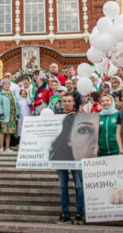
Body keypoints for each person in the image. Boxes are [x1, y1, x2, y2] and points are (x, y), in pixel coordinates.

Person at [53, 92, 85, 225]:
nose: (66, 103)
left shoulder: (79, 117)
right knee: (62, 186)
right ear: (61, 103)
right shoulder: (55, 118)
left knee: (78, 185)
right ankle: (65, 213)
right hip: (61, 154)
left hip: (76, 155)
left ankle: (79, 213)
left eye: (69, 101)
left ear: (73, 103)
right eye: (64, 101)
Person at [0, 80, 17, 152]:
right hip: (4, 115)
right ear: (3, 85)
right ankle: (1, 147)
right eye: (6, 84)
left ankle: (7, 147)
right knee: (2, 132)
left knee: (9, 132)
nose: (7, 85)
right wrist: (0, 113)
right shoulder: (1, 93)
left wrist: (16, 113)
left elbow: (16, 104)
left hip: (11, 115)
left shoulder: (12, 93)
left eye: (8, 84)